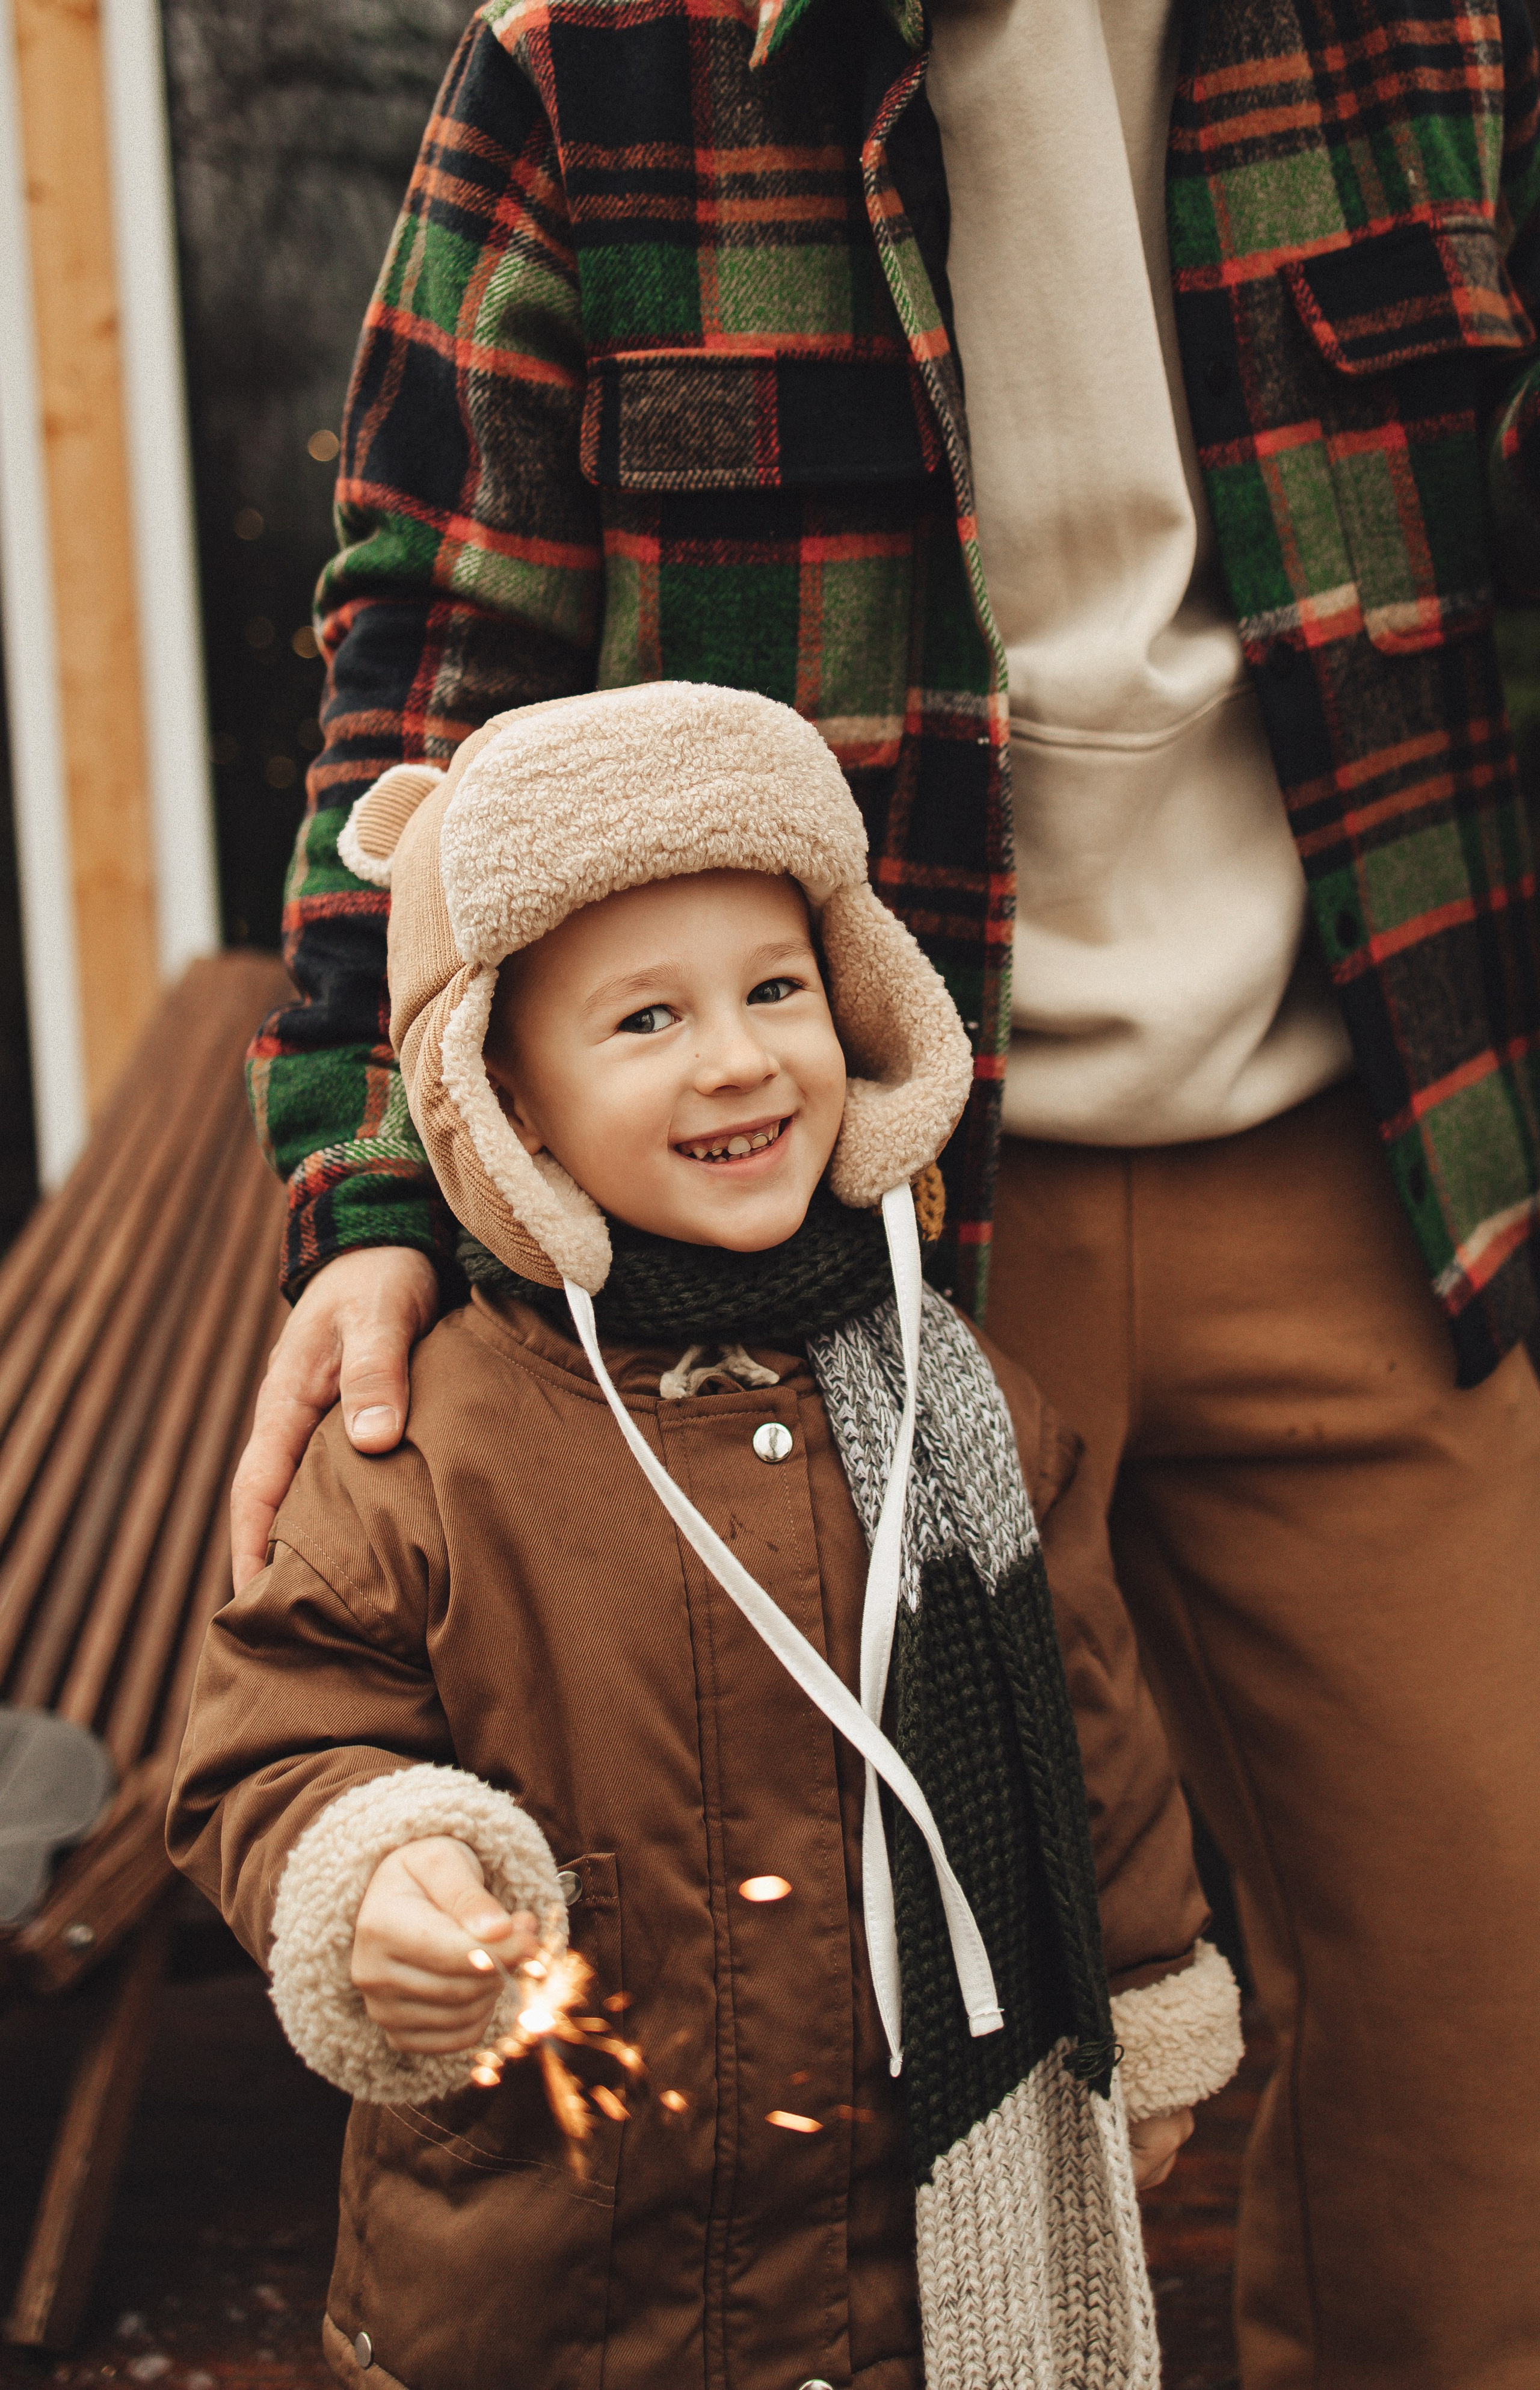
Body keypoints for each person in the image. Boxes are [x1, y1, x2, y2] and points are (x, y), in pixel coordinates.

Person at [232, 1, 1540, 2380]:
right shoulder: (595, 63)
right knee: (855, 2076)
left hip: (1365, 1169)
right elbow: (425, 653)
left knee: (1492, 2043)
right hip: (837, 1235)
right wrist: (376, 1194)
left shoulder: (1443, 39)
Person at [173, 682, 1242, 2390]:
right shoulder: (431, 1441)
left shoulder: (967, 1406)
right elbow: (276, 1739)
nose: (737, 1056)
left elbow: (1093, 1743)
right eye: (645, 1019)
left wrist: (1148, 2005)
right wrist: (376, 1871)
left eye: (775, 989)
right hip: (544, 2288)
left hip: (906, 2284)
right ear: (505, 1101)